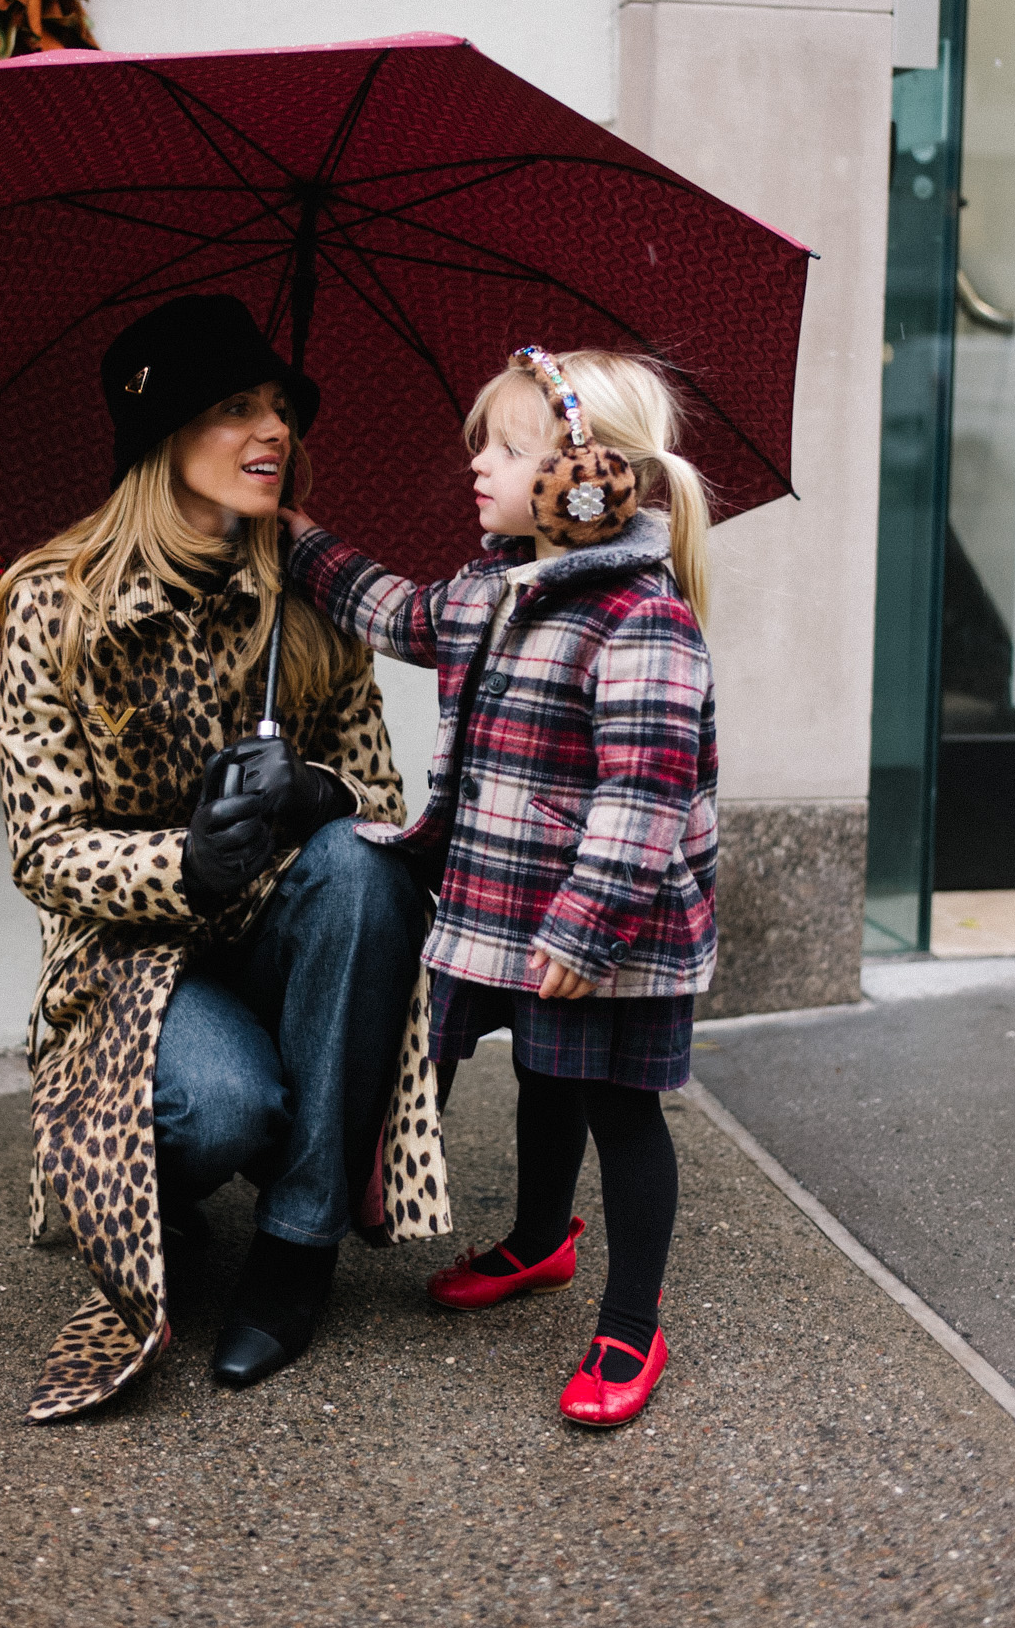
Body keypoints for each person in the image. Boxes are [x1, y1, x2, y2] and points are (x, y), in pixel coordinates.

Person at [0, 293, 448, 1423]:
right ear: (163, 432)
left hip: (285, 924)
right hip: (138, 959)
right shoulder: (56, 603)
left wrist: (311, 792)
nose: (273, 430)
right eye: (237, 407)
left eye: (281, 408)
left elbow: (382, 816)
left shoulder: (309, 600)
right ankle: (170, 1188)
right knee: (223, 1109)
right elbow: (44, 850)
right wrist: (178, 865)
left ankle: (297, 1247)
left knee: (358, 863)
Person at [282, 345, 716, 1429]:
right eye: (482, 439)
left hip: (608, 929)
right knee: (541, 1075)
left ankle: (630, 1319)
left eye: (507, 446)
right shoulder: (487, 591)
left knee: (620, 1111)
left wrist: (585, 931)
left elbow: (645, 795)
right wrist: (298, 547)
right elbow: (392, 612)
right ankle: (538, 1239)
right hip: (506, 905)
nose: (477, 461)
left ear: (587, 476)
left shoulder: (639, 620)